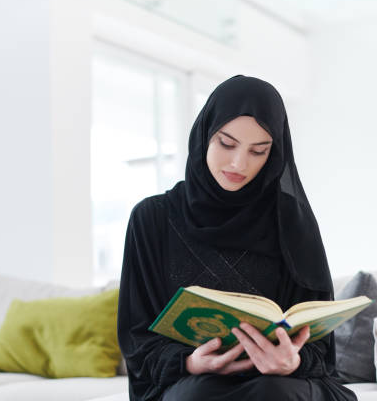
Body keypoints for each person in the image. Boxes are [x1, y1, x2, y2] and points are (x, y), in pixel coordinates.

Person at [117, 75, 357, 401]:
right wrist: (189, 361)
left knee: (274, 393)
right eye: (226, 144)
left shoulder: (291, 220)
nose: (238, 163)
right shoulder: (152, 219)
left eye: (259, 151)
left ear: (274, 155)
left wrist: (292, 360)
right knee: (193, 397)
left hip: (282, 382)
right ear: (204, 136)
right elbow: (136, 336)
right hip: (191, 381)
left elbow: (318, 343)